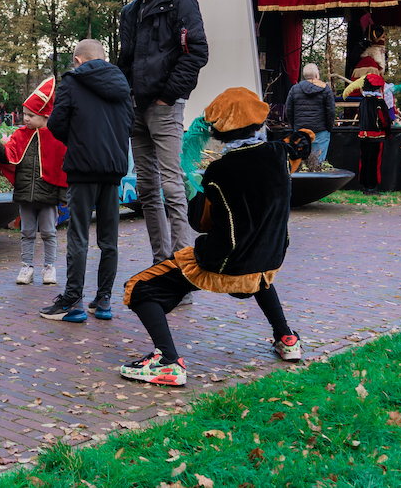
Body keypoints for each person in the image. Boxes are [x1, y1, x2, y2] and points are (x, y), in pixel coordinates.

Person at [120, 87, 313, 387]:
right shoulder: (280, 154)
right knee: (258, 277)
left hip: (226, 263)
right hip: (269, 258)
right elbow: (303, 140)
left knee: (139, 288)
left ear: (218, 130)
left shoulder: (219, 171)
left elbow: (201, 222)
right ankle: (287, 339)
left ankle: (168, 362)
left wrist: (192, 187)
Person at [111, 0, 209, 270]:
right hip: (135, 109)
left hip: (165, 107)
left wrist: (168, 96)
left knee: (172, 184)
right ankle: (161, 263)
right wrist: (125, 99)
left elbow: (196, 51)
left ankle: (183, 268)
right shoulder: (129, 13)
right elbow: (126, 62)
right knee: (147, 188)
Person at [40, 39, 133, 322]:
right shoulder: (122, 84)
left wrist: (79, 142)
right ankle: (103, 300)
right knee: (109, 239)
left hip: (82, 168)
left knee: (78, 234)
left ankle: (73, 301)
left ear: (78, 60)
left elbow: (56, 123)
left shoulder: (72, 82)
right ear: (103, 58)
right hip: (113, 169)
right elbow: (128, 124)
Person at [0, 77, 67, 286]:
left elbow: (61, 170)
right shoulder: (20, 135)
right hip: (25, 194)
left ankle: (49, 267)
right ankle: (27, 267)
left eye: (31, 115)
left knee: (48, 233)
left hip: (48, 196)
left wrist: (63, 196)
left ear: (45, 116)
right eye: (25, 114)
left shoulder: (57, 138)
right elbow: (8, 156)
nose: (26, 119)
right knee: (27, 233)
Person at [285, 63, 335, 165]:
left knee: (301, 164)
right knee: (318, 163)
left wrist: (295, 127)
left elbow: (288, 110)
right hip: (320, 131)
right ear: (317, 75)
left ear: (304, 75)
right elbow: (331, 111)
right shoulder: (325, 89)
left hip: (301, 131)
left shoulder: (295, 89)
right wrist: (328, 128)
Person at [357, 74, 391, 194]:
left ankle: (365, 186)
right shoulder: (379, 102)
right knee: (374, 162)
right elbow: (384, 120)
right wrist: (388, 131)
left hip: (363, 134)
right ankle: (372, 187)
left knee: (364, 161)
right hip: (376, 135)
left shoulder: (362, 101)